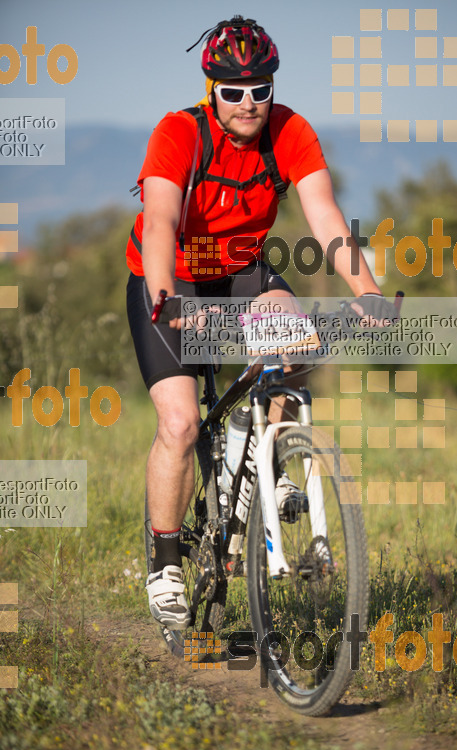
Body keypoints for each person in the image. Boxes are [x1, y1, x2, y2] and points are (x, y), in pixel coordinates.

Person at [126, 15, 396, 631]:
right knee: (181, 421)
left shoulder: (291, 131)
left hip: (242, 271)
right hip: (172, 274)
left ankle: (272, 464)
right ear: (211, 89)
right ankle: (165, 559)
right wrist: (164, 283)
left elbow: (325, 217)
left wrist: (369, 290)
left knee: (294, 337)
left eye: (260, 89)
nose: (248, 103)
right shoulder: (179, 132)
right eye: (233, 91)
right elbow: (162, 214)